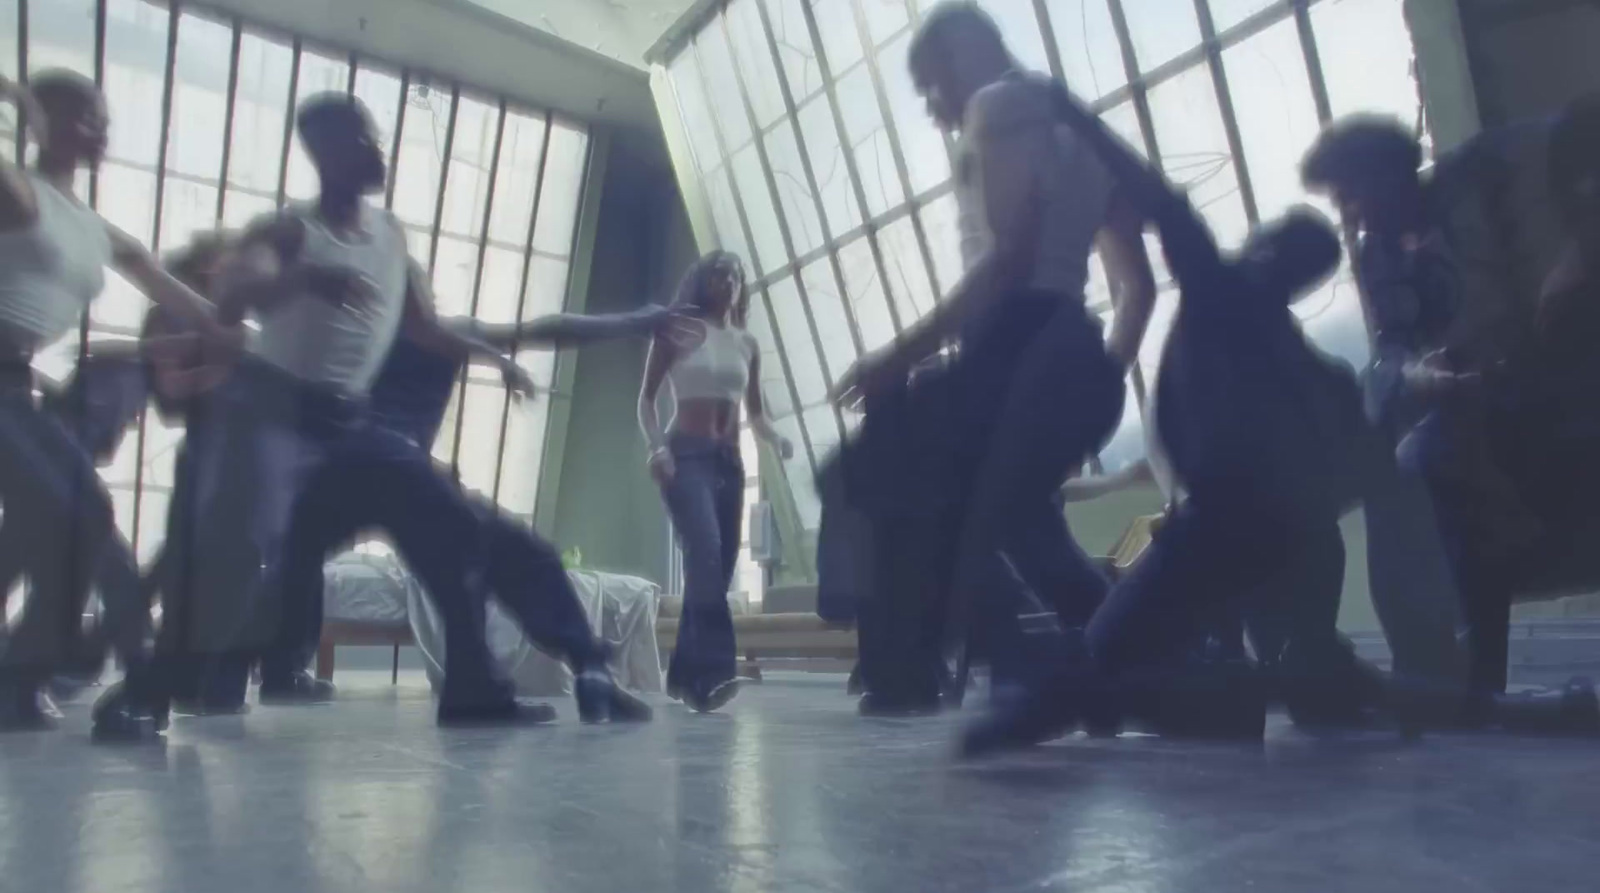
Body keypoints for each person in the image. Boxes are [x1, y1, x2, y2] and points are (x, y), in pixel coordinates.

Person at [103, 91, 567, 733]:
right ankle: (144, 695)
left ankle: (475, 691)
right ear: (325, 152)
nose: (377, 149)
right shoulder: (290, 231)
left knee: (448, 525)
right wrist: (304, 280)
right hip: (267, 413)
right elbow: (234, 299)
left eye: (375, 136)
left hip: (347, 421)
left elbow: (423, 328)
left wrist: (494, 358)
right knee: (234, 560)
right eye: (362, 139)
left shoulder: (388, 235)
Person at [960, 82, 1375, 756]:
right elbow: (1353, 459)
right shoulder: (1299, 353)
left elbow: (1158, 198)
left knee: (1094, 666)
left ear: (1269, 252)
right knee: (1284, 679)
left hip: (1211, 535)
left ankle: (1184, 695)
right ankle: (1253, 690)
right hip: (1295, 540)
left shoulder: (1222, 291)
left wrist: (1074, 116)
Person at [825, 2, 1155, 714]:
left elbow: (1009, 262)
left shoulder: (995, 105)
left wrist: (897, 354)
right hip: (1069, 353)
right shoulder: (1082, 132)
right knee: (1018, 519)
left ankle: (971, 666)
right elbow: (1139, 289)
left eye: (929, 88)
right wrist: (1092, 385)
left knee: (866, 470)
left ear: (959, 59)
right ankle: (1150, 662)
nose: (933, 109)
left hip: (1016, 343)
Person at [254, 298, 697, 717]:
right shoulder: (419, 337)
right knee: (501, 560)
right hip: (392, 465)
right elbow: (548, 330)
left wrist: (637, 320)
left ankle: (278, 670)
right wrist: (638, 320)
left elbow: (551, 329)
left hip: (358, 471)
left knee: (305, 551)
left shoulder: (383, 341)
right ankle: (570, 669)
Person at [0, 70, 239, 738]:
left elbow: (188, 303)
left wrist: (250, 340)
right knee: (85, 515)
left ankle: (24, 679)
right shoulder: (18, 192)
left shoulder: (95, 228)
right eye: (83, 117)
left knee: (62, 526)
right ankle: (134, 680)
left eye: (104, 118)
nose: (99, 130)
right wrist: (14, 102)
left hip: (15, 385)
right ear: (43, 122)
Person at [638, 250, 792, 713]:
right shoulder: (676, 331)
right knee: (704, 553)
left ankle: (684, 677)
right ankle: (715, 675)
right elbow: (644, 400)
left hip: (730, 463)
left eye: (735, 275)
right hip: (686, 458)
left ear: (742, 287)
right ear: (703, 281)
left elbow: (757, 415)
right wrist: (656, 448)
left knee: (716, 572)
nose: (727, 280)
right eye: (718, 273)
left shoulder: (747, 344)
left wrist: (777, 438)